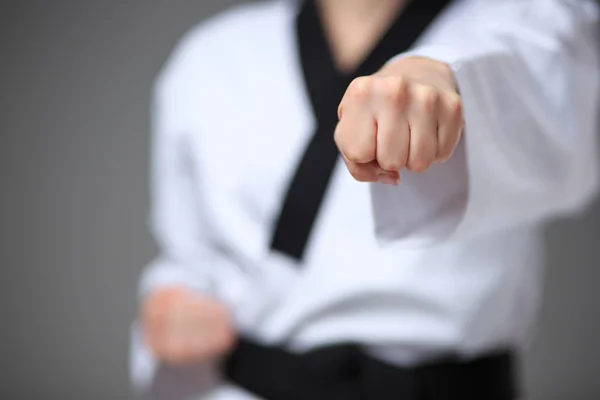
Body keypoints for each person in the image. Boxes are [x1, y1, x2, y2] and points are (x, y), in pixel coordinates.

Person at [130, 0, 600, 399]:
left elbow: (565, 122)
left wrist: (442, 77)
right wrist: (168, 304)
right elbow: (189, 254)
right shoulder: (212, 57)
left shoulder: (533, 26)